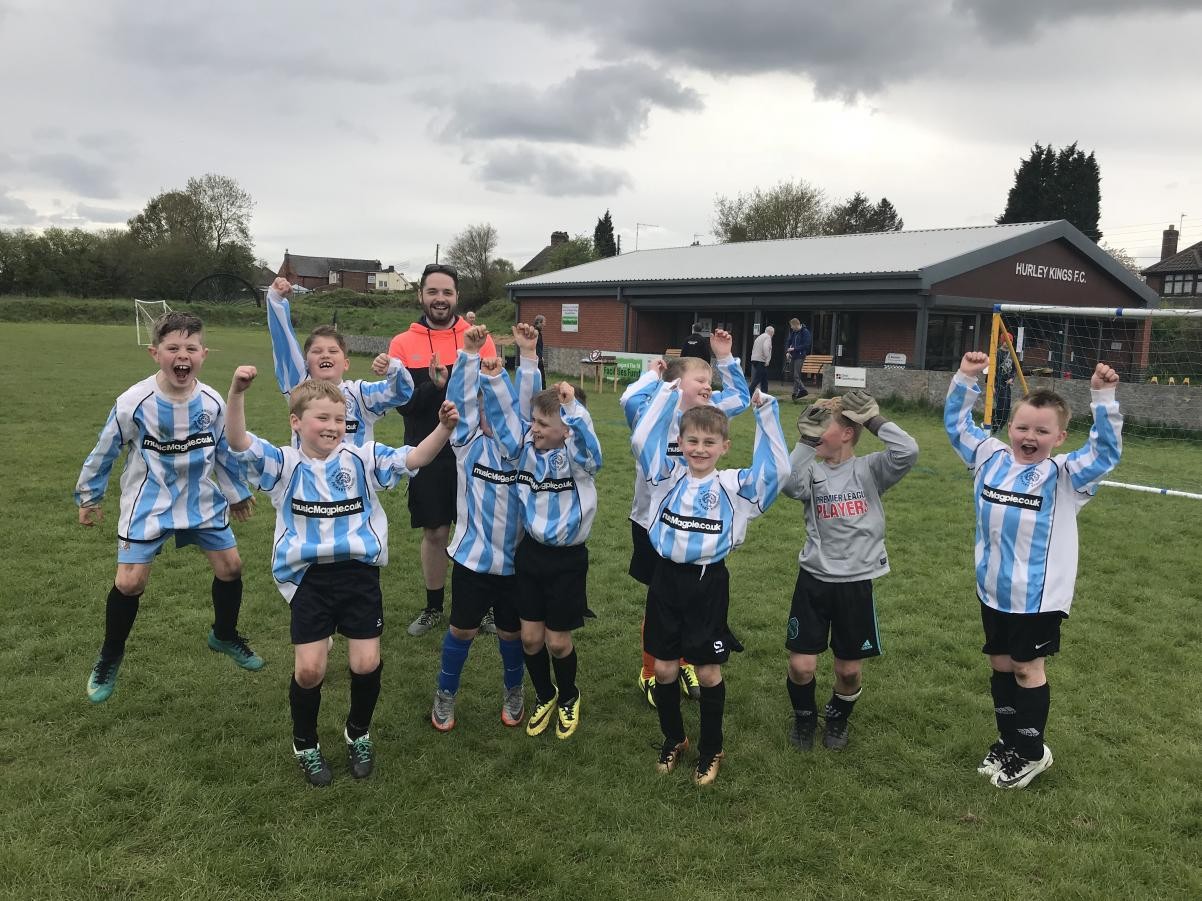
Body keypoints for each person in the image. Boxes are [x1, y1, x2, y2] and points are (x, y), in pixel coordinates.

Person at [226, 368, 458, 786]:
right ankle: (306, 743)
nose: (333, 426)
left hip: (359, 577)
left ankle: (358, 732)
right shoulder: (283, 463)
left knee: (366, 663)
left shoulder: (362, 459)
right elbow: (239, 443)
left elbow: (413, 458)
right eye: (322, 418)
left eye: (339, 419)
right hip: (310, 581)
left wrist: (442, 428)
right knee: (311, 671)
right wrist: (237, 394)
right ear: (296, 422)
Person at [945, 352, 1122, 789]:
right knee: (1001, 664)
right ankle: (1009, 741)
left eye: (1042, 431)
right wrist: (967, 377)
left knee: (1027, 668)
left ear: (1059, 436)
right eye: (1023, 427)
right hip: (992, 590)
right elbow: (957, 425)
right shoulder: (989, 457)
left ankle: (1031, 752)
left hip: (1037, 598)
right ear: (1010, 428)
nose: (1030, 436)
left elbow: (1104, 452)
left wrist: (1103, 397)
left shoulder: (1064, 476)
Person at [75, 312, 261, 705]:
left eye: (191, 348)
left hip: (201, 499)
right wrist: (89, 496)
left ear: (204, 354)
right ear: (154, 353)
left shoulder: (211, 401)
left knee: (231, 568)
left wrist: (237, 491)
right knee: (129, 583)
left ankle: (224, 635)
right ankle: (110, 657)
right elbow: (105, 449)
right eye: (173, 348)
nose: (183, 355)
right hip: (149, 500)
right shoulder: (133, 402)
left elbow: (222, 452)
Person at [632, 383, 790, 784]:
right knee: (664, 669)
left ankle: (711, 747)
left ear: (724, 446)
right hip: (665, 579)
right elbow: (640, 439)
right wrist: (667, 396)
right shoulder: (665, 479)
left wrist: (766, 415)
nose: (699, 449)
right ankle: (674, 738)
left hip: (707, 583)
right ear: (680, 443)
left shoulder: (734, 487)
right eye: (692, 441)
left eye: (709, 442)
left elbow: (778, 470)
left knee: (706, 671)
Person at [482, 323, 602, 740]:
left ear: (566, 427)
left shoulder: (579, 459)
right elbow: (504, 417)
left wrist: (574, 411)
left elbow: (591, 448)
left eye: (544, 424)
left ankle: (569, 695)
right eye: (533, 421)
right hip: (530, 555)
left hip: (567, 561)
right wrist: (495, 376)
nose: (534, 428)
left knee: (557, 642)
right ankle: (545, 694)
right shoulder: (524, 452)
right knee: (530, 640)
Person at [620, 330, 751, 708]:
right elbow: (629, 398)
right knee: (659, 601)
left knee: (689, 601)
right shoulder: (654, 411)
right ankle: (651, 670)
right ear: (678, 384)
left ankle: (686, 661)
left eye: (711, 382)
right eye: (701, 381)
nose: (709, 388)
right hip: (651, 523)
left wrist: (725, 358)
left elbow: (740, 397)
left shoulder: (709, 419)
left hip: (694, 527)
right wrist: (655, 377)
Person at [781, 392, 918, 752]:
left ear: (846, 433)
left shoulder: (870, 469)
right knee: (801, 665)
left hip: (855, 584)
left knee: (849, 671)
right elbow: (786, 483)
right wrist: (806, 442)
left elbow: (908, 451)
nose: (815, 429)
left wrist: (873, 420)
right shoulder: (811, 470)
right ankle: (805, 717)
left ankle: (838, 718)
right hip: (814, 580)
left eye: (821, 426)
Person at [429, 325, 539, 733]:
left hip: (516, 563)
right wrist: (469, 354)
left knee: (512, 634)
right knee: (463, 628)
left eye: (500, 408)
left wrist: (528, 354)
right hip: (474, 560)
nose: (493, 416)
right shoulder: (467, 445)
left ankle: (514, 690)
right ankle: (445, 693)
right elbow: (458, 403)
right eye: (485, 408)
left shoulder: (528, 449)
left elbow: (529, 405)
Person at [388, 264, 497, 637]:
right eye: (432, 291)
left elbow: (491, 396)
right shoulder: (403, 343)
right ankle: (434, 607)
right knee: (436, 532)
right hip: (427, 451)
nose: (440, 299)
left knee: (481, 529)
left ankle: (484, 609)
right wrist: (436, 387)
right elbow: (402, 404)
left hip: (477, 453)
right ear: (421, 295)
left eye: (447, 292)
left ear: (456, 297)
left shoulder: (477, 337)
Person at [266, 277, 414, 446]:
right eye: (317, 351)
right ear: (306, 363)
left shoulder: (360, 395)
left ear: (346, 363)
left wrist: (393, 367)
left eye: (333, 351)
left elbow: (402, 393)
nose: (325, 355)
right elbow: (283, 346)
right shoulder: (299, 389)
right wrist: (276, 301)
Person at [784, 318, 813, 401]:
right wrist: (787, 352)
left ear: (796, 325)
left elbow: (806, 345)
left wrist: (794, 349)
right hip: (793, 355)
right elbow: (788, 342)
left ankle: (803, 390)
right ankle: (795, 393)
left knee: (796, 375)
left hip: (800, 356)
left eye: (792, 326)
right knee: (792, 374)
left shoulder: (805, 332)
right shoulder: (794, 332)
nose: (791, 328)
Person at [992, 345, 1015, 433]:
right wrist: (992, 385)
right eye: (1005, 340)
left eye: (1009, 340)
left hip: (1007, 385)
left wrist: (1012, 378)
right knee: (1000, 406)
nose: (1007, 342)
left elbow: (1014, 369)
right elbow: (992, 370)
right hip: (998, 383)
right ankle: (994, 426)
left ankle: (1000, 427)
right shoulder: (997, 353)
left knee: (1007, 407)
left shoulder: (1012, 354)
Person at [749, 325, 775, 394]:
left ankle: (764, 394)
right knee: (757, 378)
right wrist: (767, 359)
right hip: (761, 360)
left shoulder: (759, 337)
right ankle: (749, 393)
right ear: (771, 332)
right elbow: (765, 347)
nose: (773, 335)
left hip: (754, 359)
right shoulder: (768, 337)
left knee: (764, 378)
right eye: (773, 333)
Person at [532, 314, 547, 383]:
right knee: (541, 380)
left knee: (541, 379)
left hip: (539, 359)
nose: (545, 324)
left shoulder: (539, 333)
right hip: (536, 360)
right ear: (539, 322)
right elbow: (533, 346)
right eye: (544, 322)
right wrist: (538, 357)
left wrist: (541, 356)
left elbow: (538, 346)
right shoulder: (535, 332)